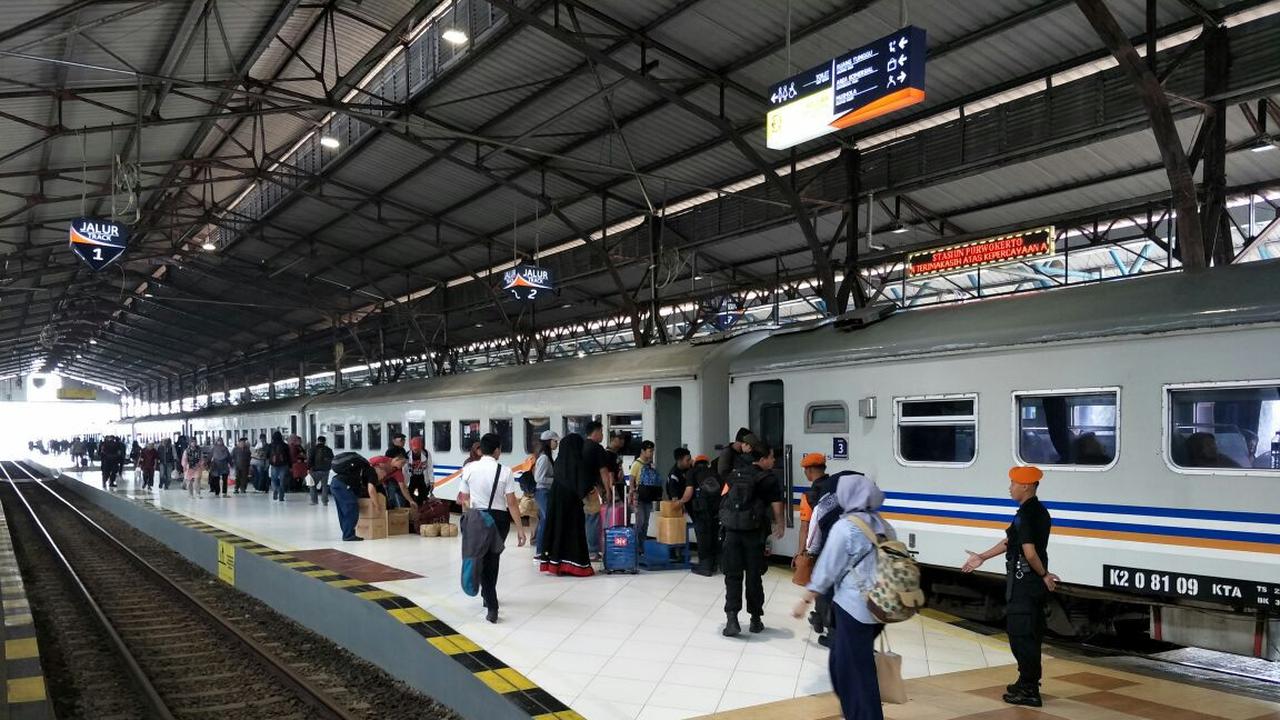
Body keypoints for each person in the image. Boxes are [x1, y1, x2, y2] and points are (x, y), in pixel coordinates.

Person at [792, 474, 897, 720]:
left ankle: (865, 715)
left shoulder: (846, 527)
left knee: (855, 672)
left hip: (854, 608)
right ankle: (855, 712)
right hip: (880, 605)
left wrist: (805, 599)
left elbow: (828, 569)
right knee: (843, 662)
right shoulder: (883, 525)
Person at [962, 466, 1059, 708]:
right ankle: (1025, 681)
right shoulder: (1036, 511)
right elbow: (1010, 542)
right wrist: (982, 557)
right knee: (1027, 634)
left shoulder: (1026, 514)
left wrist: (1045, 574)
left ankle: (1029, 690)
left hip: (1025, 585)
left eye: (1014, 483)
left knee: (1021, 636)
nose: (1010, 487)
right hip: (1028, 584)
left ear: (1026, 486)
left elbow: (1029, 551)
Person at [458, 433, 526, 623]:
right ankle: (492, 605)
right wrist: (520, 529)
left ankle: (487, 597)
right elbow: (511, 503)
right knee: (492, 560)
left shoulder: (469, 468)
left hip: (476, 518)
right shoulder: (505, 471)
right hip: (498, 520)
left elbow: (464, 498)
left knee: (480, 557)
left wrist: (468, 520)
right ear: (497, 450)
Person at [720, 445, 785, 637]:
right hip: (754, 534)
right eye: (772, 458)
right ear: (762, 459)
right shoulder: (768, 479)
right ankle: (755, 619)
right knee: (754, 576)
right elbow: (776, 506)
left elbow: (724, 499)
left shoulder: (734, 475)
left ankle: (732, 619)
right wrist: (780, 524)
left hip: (731, 532)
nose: (773, 462)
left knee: (732, 576)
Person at [537, 432, 595, 576]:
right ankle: (575, 565)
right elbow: (583, 486)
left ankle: (556, 564)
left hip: (556, 503)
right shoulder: (578, 463)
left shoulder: (558, 462)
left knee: (557, 531)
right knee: (573, 533)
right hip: (572, 507)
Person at [796, 452, 834, 645]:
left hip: (820, 547)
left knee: (820, 583)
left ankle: (823, 622)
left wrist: (801, 551)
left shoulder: (809, 495)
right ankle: (821, 619)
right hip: (836, 543)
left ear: (809, 470)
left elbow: (805, 526)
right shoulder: (834, 488)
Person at [330, 454, 386, 542]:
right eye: (383, 475)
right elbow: (371, 490)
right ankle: (348, 535)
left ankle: (347, 534)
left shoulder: (364, 470)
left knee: (343, 512)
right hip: (343, 485)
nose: (382, 478)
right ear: (380, 470)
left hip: (335, 483)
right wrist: (377, 506)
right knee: (351, 508)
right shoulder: (372, 472)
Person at [687, 454, 721, 576]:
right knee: (714, 535)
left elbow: (689, 491)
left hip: (701, 510)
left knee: (703, 537)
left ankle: (705, 567)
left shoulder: (692, 472)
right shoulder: (714, 472)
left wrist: (680, 502)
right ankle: (714, 565)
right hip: (716, 510)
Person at [582, 422, 610, 560]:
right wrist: (607, 490)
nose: (603, 435)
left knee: (584, 519)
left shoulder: (581, 445)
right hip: (590, 490)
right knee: (593, 518)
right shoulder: (597, 448)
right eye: (602, 432)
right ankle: (592, 551)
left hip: (578, 489)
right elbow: (604, 472)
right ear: (597, 432)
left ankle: (584, 549)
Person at [629, 440, 661, 545]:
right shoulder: (636, 464)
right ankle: (635, 545)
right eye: (650, 451)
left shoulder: (650, 465)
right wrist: (632, 494)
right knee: (640, 521)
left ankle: (642, 546)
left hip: (648, 497)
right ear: (643, 451)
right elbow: (631, 479)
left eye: (653, 451)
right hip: (638, 497)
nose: (651, 453)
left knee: (646, 522)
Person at [532, 431, 558, 555]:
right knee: (546, 520)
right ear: (549, 442)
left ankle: (542, 549)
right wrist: (555, 480)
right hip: (543, 492)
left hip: (545, 492)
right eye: (555, 441)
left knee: (544, 520)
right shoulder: (544, 458)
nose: (556, 443)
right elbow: (539, 478)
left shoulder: (546, 456)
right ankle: (541, 550)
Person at [404, 436, 434, 507]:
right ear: (411, 448)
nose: (416, 451)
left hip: (422, 477)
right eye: (414, 449)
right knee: (409, 495)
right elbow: (404, 470)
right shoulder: (407, 455)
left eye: (418, 449)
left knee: (423, 496)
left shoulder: (426, 454)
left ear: (421, 447)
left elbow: (430, 468)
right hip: (412, 477)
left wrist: (432, 481)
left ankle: (421, 512)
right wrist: (404, 483)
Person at [308, 436, 335, 505]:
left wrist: (308, 468)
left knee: (312, 485)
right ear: (325, 441)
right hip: (325, 471)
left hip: (315, 470)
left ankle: (314, 501)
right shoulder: (328, 450)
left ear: (318, 441)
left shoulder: (313, 449)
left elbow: (310, 459)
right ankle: (325, 501)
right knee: (324, 486)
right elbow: (332, 459)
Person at [267, 431, 291, 502]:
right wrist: (290, 466)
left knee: (274, 480)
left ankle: (276, 489)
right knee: (282, 481)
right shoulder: (285, 445)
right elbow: (289, 456)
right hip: (284, 465)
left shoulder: (270, 445)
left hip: (274, 465)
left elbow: (267, 455)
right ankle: (281, 495)